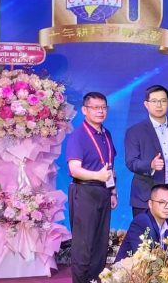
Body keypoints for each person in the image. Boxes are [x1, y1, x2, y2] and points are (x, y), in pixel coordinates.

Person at [66, 92, 117, 283]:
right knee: (84, 245)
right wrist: (98, 176)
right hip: (84, 191)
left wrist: (113, 191)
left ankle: (95, 280)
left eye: (103, 107)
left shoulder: (106, 133)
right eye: (95, 107)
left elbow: (109, 165)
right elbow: (74, 169)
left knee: (100, 243)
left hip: (104, 191)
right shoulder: (78, 135)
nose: (100, 111)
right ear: (84, 110)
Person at [124, 85, 168, 219]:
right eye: (154, 101)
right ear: (146, 104)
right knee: (145, 232)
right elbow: (131, 162)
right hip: (145, 196)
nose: (159, 105)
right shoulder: (134, 131)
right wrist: (150, 165)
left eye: (163, 101)